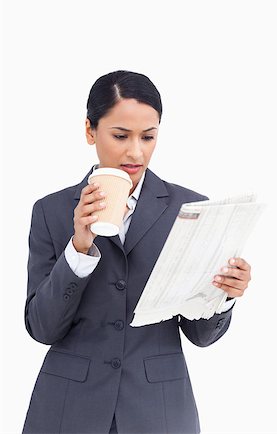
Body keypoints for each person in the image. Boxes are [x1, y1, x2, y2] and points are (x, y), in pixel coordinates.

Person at [22, 70, 251, 434]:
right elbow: (42, 327)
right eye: (120, 135)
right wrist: (79, 246)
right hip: (67, 408)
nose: (135, 151)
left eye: (148, 136)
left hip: (158, 409)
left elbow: (201, 335)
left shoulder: (189, 208)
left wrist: (223, 296)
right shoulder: (51, 210)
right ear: (89, 130)